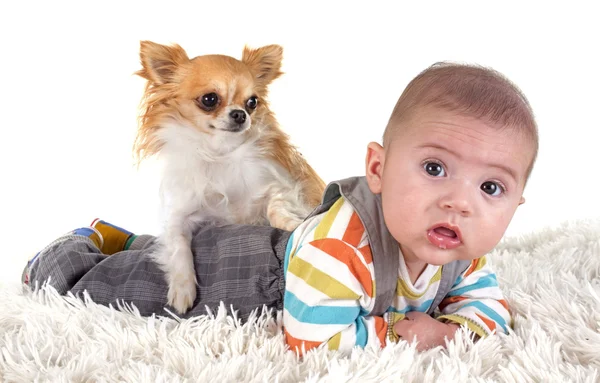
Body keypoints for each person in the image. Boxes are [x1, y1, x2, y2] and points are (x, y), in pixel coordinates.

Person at [23, 61, 538, 354]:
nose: (459, 201)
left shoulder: (460, 251)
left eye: (491, 188)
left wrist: (450, 330)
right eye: (434, 169)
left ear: (516, 206)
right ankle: (80, 247)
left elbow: (494, 311)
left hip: (273, 251)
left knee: (161, 248)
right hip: (242, 274)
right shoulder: (342, 242)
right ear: (377, 170)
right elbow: (314, 338)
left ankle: (127, 239)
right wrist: (412, 336)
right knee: (116, 285)